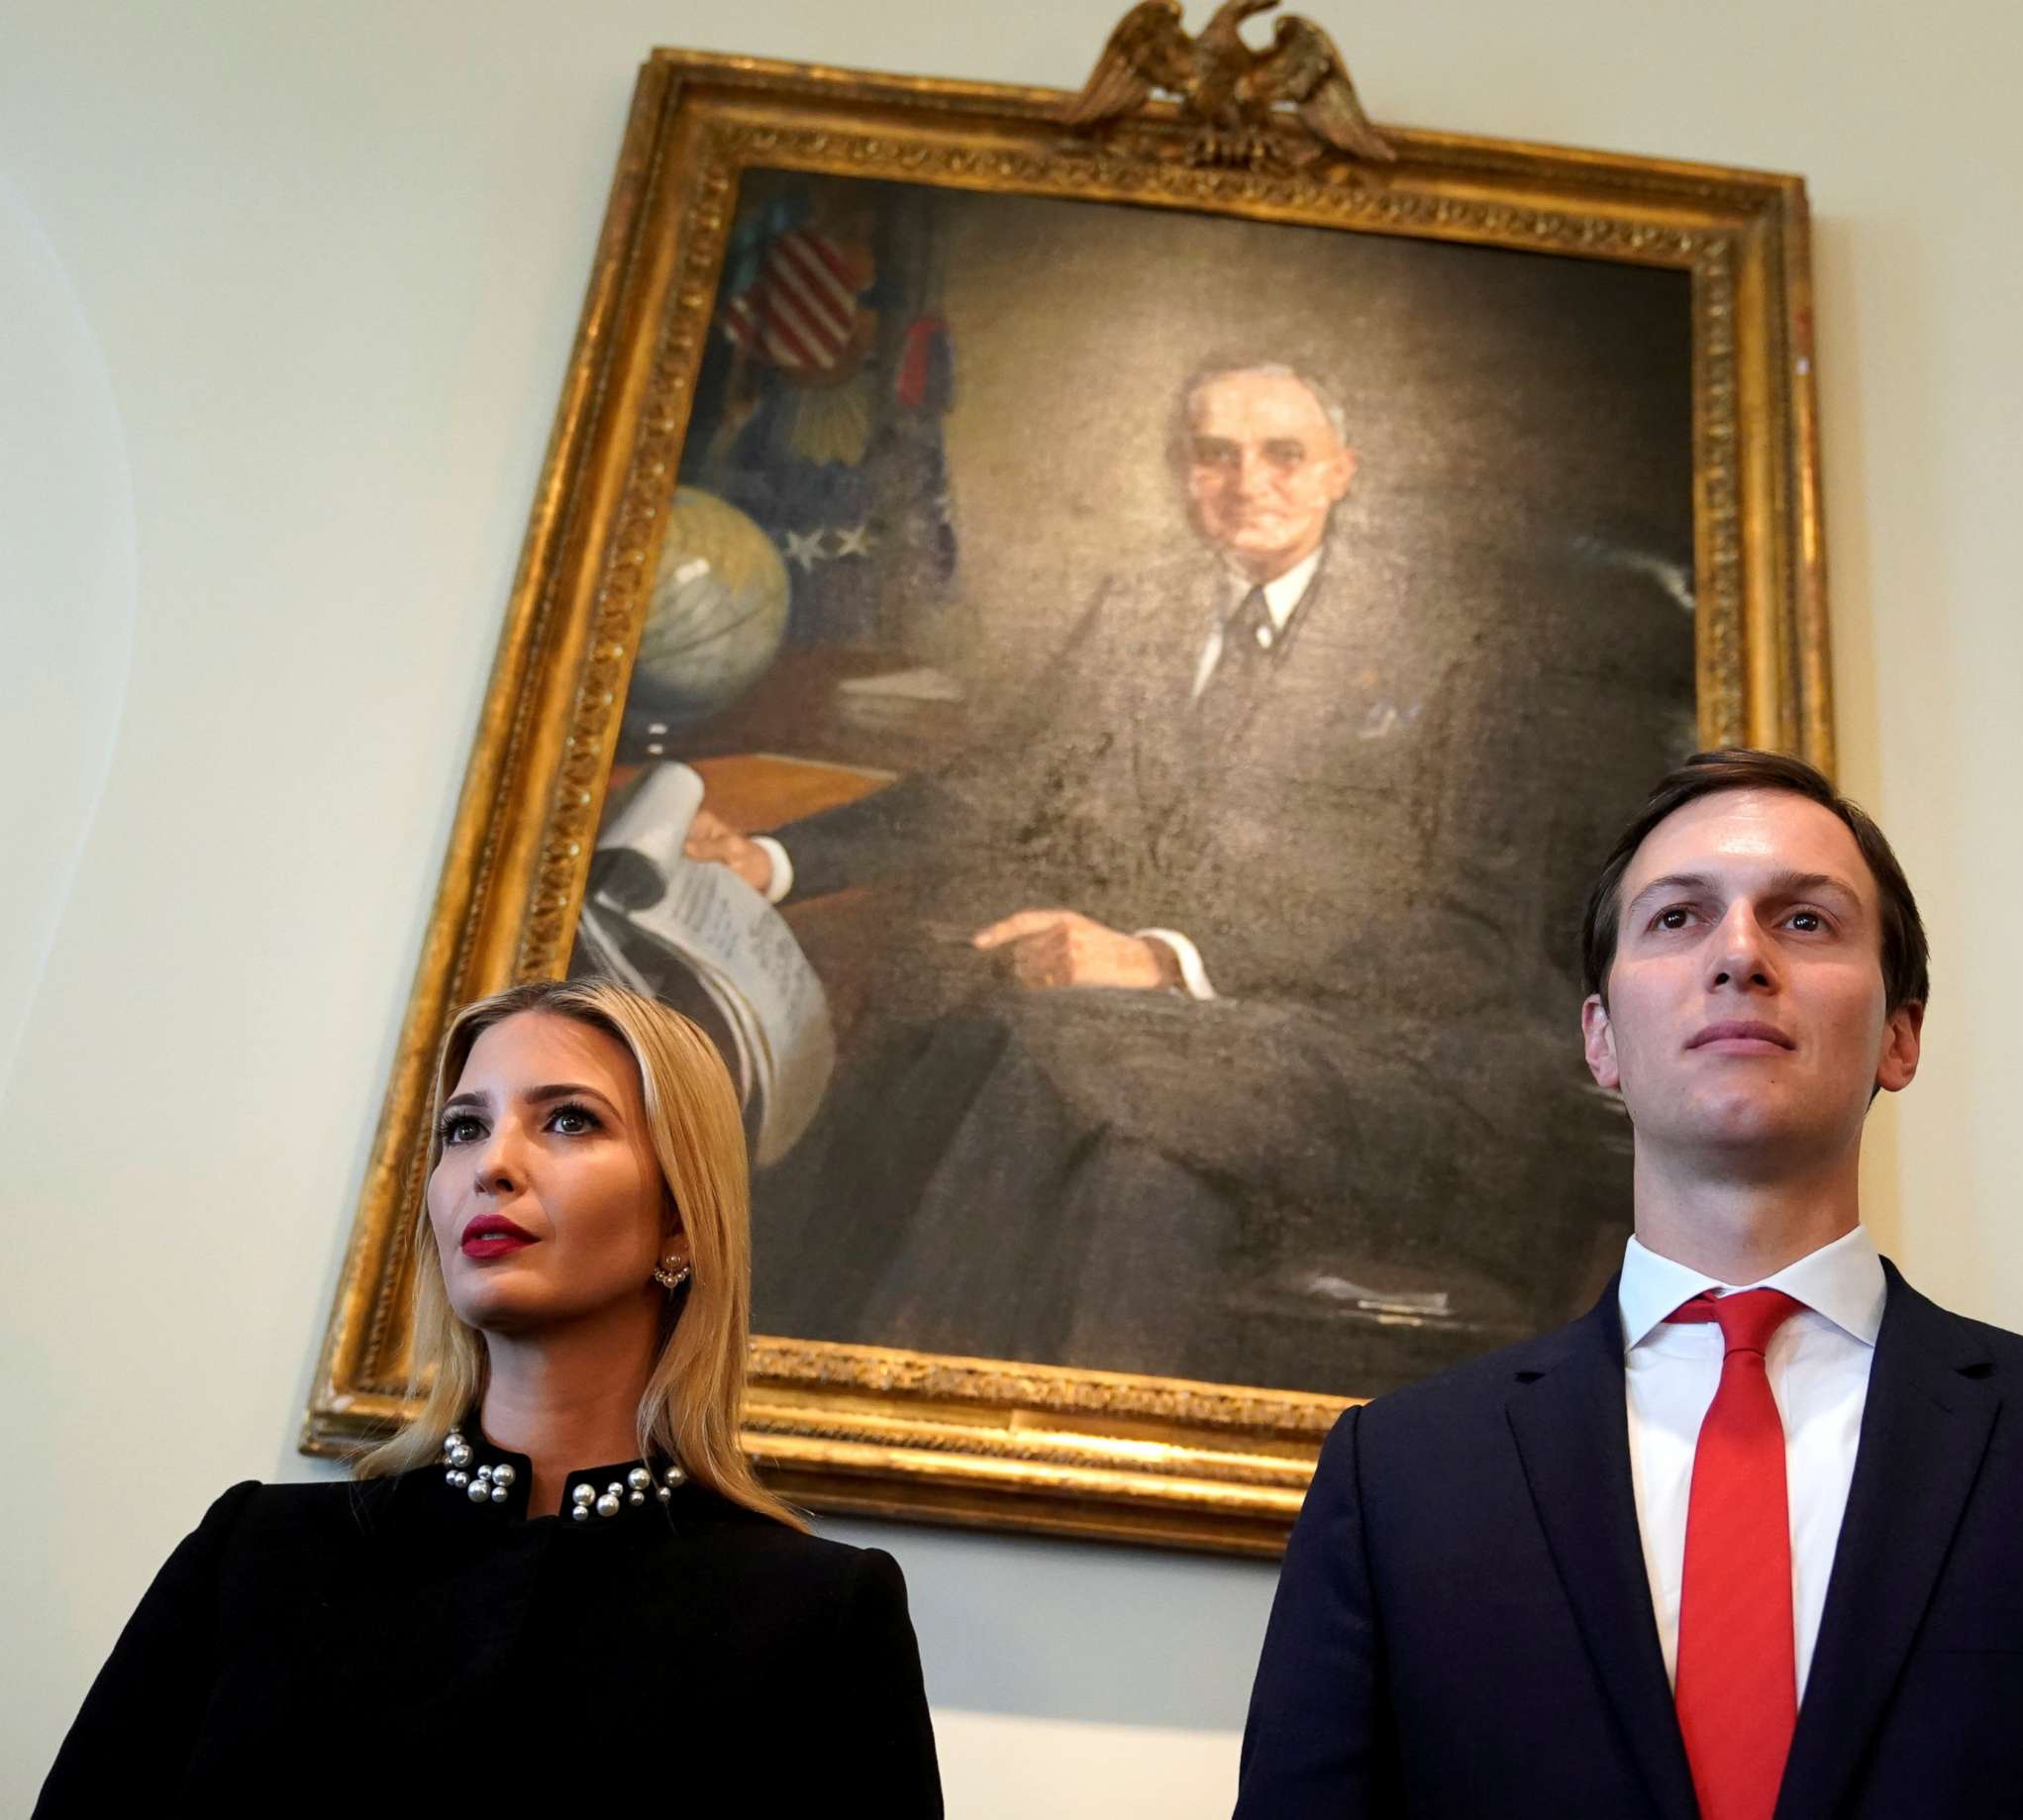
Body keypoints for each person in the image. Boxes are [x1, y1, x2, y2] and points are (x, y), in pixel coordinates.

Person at [1234, 749, 2023, 1819]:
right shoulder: (1398, 1482)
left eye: (1803, 918)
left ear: (1899, 1034)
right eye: (1677, 916)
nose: (1739, 954)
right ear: (1601, 1039)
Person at [683, 361, 1613, 1392]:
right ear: (1181, 471)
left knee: (1021, 1041)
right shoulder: (1147, 609)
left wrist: (1163, 961)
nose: (1246, 479)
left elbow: (1469, 942)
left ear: (1341, 472)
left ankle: (814, 1391)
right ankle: (913, 1444)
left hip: (1393, 1059)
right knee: (1132, 1180)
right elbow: (1005, 780)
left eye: (1283, 454)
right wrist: (776, 858)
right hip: (1166, 1058)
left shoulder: (1461, 646)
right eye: (1215, 452)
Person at [39, 979, 943, 1811]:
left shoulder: (816, 1615)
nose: (492, 1165)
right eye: (465, 1128)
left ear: (681, 1219)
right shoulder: (254, 1555)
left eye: (569, 1122)